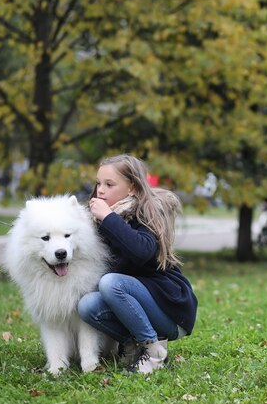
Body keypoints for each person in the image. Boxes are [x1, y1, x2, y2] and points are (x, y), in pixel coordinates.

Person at [78, 154, 198, 374]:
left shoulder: (147, 212)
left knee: (111, 283)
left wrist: (108, 218)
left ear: (132, 188)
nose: (100, 190)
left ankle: (154, 353)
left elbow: (141, 251)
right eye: (98, 183)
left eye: (109, 184)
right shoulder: (104, 220)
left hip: (171, 311)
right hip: (143, 309)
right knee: (87, 305)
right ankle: (134, 347)